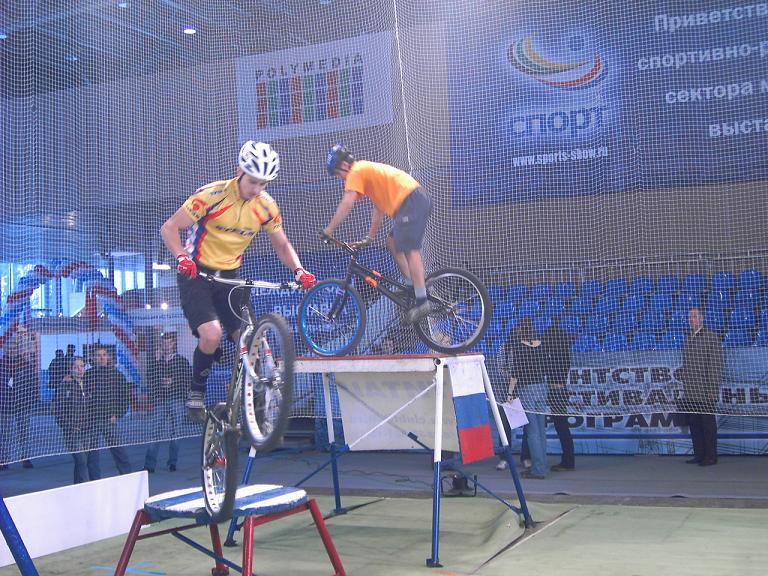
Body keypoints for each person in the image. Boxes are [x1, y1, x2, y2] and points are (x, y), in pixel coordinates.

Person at [160, 141, 316, 421]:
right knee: (211, 335)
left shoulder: (266, 206)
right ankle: (196, 392)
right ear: (239, 172)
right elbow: (169, 228)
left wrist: (299, 270)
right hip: (196, 273)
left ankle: (253, 397)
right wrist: (182, 257)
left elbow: (282, 244)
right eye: (253, 181)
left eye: (263, 184)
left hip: (230, 277)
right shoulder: (212, 195)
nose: (257, 189)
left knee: (250, 338)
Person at [323, 145, 433, 324]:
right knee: (392, 243)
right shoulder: (368, 176)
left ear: (344, 165)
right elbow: (378, 210)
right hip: (411, 202)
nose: (340, 178)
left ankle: (422, 300)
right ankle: (411, 285)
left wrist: (329, 229)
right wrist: (370, 238)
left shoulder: (356, 170)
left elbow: (347, 203)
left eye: (337, 174)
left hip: (411, 200)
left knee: (409, 249)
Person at [503, 318, 549, 479]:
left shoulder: (519, 346)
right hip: (542, 388)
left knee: (532, 432)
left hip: (527, 389)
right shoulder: (541, 344)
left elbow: (515, 373)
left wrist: (509, 393)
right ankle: (541, 464)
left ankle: (538, 469)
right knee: (541, 430)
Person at [680, 307, 723, 466]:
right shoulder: (688, 339)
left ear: (702, 318)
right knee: (695, 425)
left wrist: (713, 389)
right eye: (690, 317)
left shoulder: (711, 338)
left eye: (694, 316)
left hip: (705, 391)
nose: (692, 319)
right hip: (691, 391)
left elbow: (715, 366)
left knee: (707, 425)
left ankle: (711, 456)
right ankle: (699, 455)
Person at [143, 331, 191, 473]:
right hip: (161, 400)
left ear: (173, 344)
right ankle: (149, 465)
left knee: (176, 433)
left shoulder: (181, 361)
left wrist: (173, 382)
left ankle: (172, 463)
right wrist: (157, 361)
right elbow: (150, 378)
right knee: (155, 433)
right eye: (164, 343)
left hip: (176, 399)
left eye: (169, 343)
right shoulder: (157, 362)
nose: (166, 346)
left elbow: (187, 379)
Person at [85, 345, 132, 476]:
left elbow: (125, 397)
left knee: (119, 450)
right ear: (93, 358)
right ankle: (94, 480)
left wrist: (118, 414)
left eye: (104, 355)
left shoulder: (116, 375)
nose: (101, 358)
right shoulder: (87, 375)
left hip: (109, 419)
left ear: (108, 357)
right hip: (92, 421)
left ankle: (127, 476)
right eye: (98, 355)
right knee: (92, 454)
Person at [53, 356, 100, 483]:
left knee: (82, 462)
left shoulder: (89, 384)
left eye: (82, 366)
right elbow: (58, 410)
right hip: (73, 431)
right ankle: (85, 488)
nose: (80, 369)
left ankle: (78, 487)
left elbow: (93, 406)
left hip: (87, 429)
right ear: (70, 369)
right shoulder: (65, 385)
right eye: (76, 367)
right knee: (81, 460)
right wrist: (69, 426)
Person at [544, 325, 575, 471]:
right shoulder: (563, 353)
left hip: (558, 392)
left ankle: (568, 461)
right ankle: (568, 459)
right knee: (562, 427)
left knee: (562, 427)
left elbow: (549, 370)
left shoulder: (558, 355)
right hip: (558, 392)